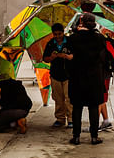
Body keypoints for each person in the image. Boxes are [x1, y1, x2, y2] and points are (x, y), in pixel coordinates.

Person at [68, 12, 106, 145]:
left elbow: (69, 57)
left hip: (77, 78)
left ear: (81, 23)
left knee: (77, 107)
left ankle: (76, 137)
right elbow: (103, 58)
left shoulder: (73, 38)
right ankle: (94, 137)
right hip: (94, 78)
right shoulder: (99, 38)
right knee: (93, 107)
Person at [43, 22, 73, 128]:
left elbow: (75, 56)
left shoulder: (70, 42)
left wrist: (67, 56)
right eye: (55, 34)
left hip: (68, 75)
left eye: (59, 34)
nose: (57, 36)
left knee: (69, 98)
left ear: (63, 32)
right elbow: (45, 58)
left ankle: (71, 119)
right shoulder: (51, 43)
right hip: (55, 75)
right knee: (58, 98)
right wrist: (52, 57)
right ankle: (60, 119)